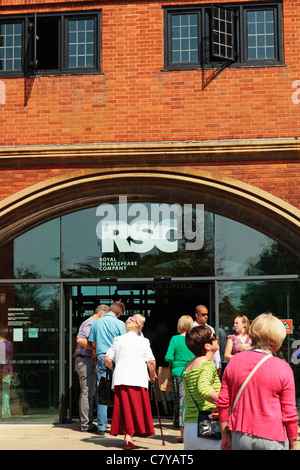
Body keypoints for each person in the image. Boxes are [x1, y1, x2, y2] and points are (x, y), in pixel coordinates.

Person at [217, 312, 299, 450]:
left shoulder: (234, 361)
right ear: (277, 340)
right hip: (273, 437)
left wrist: (225, 434)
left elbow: (223, 401)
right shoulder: (283, 368)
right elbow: (289, 410)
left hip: (240, 435)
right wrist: (293, 443)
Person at [104, 315, 157, 449]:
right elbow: (151, 362)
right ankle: (129, 438)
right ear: (139, 327)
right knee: (136, 408)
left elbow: (107, 359)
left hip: (121, 378)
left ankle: (128, 437)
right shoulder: (143, 341)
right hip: (138, 378)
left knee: (124, 408)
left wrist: (115, 368)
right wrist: (152, 376)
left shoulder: (118, 340)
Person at [88, 301, 126, 435]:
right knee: (118, 389)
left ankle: (102, 426)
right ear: (120, 313)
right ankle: (118, 425)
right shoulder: (121, 324)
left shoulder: (96, 323)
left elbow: (93, 342)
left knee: (102, 390)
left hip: (101, 356)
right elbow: (123, 343)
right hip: (116, 358)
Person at [183, 325, 221, 450]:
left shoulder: (189, 365)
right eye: (213, 337)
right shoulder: (208, 364)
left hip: (189, 426)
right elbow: (204, 389)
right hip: (207, 425)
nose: (217, 338)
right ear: (207, 346)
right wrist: (225, 404)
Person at [74, 304, 109, 432]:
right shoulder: (90, 323)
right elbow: (80, 340)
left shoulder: (91, 322)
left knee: (90, 392)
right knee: (87, 392)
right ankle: (85, 424)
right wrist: (95, 349)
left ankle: (88, 422)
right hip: (85, 360)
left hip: (87, 360)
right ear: (100, 314)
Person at [165, 315, 195, 443]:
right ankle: (192, 432)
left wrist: (175, 362)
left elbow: (168, 357)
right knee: (192, 401)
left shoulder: (175, 339)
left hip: (178, 373)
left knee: (181, 401)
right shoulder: (193, 339)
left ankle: (183, 434)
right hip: (193, 371)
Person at [194, 305, 222, 376]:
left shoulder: (210, 329)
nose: (206, 316)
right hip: (195, 363)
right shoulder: (192, 328)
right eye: (203, 314)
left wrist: (218, 365)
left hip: (209, 363)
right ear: (196, 315)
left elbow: (214, 346)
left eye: (207, 314)